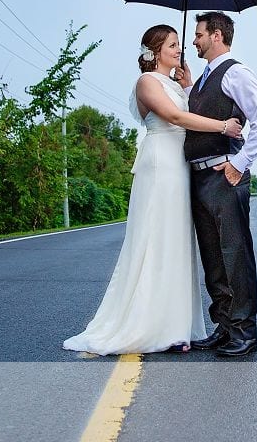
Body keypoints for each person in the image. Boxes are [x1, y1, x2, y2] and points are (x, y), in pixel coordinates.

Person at [63, 24, 243, 356]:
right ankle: (147, 325)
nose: (180, 50)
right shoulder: (147, 82)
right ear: (155, 51)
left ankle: (173, 327)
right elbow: (175, 116)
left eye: (180, 44)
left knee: (175, 241)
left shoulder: (174, 83)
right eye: (173, 45)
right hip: (161, 166)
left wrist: (188, 87)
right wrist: (222, 126)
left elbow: (186, 109)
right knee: (156, 238)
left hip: (179, 167)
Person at [185, 11, 257, 358]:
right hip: (199, 176)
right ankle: (224, 326)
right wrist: (187, 85)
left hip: (224, 176)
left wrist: (239, 164)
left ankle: (244, 332)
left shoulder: (235, 72)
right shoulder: (204, 78)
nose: (194, 41)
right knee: (213, 257)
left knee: (234, 254)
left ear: (217, 35)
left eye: (199, 34)